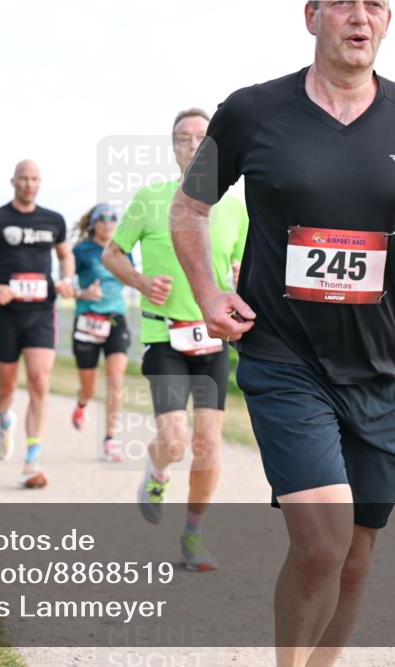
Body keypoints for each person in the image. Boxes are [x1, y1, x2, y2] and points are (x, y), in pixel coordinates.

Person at [171, 1, 395, 663]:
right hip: (284, 358)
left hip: (381, 370)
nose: (359, 16)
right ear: (312, 15)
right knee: (322, 539)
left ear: (389, 22)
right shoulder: (252, 110)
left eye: (375, 4)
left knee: (355, 557)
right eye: (343, 2)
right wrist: (207, 291)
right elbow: (190, 206)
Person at [104, 108, 248, 572]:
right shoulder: (150, 199)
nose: (191, 145)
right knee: (175, 438)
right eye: (182, 138)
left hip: (213, 339)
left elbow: (244, 266)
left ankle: (193, 535)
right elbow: (113, 253)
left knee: (208, 442)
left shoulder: (236, 206)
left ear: (212, 148)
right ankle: (157, 469)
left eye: (201, 138)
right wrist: (142, 282)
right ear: (173, 149)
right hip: (164, 336)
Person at [0, 159, 75, 488]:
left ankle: (31, 460)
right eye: (23, 179)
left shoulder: (54, 220)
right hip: (5, 314)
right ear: (13, 181)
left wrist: (66, 279)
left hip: (41, 311)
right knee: (6, 387)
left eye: (35, 179)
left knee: (39, 380)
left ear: (40, 182)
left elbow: (65, 255)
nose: (29, 184)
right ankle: (5, 418)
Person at [70, 203, 131, 462]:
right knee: (90, 388)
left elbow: (131, 278)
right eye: (102, 218)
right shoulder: (80, 251)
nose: (108, 223)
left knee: (116, 380)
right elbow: (66, 284)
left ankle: (110, 439)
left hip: (116, 318)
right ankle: (82, 403)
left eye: (113, 218)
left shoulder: (123, 249)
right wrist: (85, 293)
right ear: (94, 223)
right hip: (87, 320)